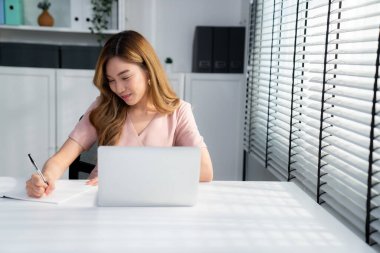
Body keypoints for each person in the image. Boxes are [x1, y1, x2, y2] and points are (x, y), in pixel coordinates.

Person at [26, 30, 213, 198]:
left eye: (125, 77)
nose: (118, 88)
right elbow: (61, 159)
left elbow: (205, 171)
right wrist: (45, 177)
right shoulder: (103, 106)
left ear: (148, 70)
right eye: (111, 81)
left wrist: (129, 177)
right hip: (100, 202)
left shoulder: (178, 111)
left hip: (154, 206)